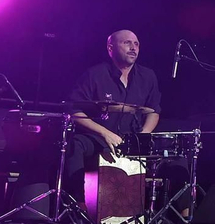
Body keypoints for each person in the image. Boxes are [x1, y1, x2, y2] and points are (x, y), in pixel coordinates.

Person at [63, 29, 162, 193]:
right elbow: (74, 112)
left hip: (134, 138)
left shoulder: (148, 76)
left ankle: (185, 216)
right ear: (110, 48)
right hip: (100, 139)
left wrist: (144, 134)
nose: (133, 48)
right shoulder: (94, 74)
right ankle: (78, 205)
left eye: (136, 44)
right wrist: (105, 133)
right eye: (127, 43)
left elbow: (153, 111)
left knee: (177, 158)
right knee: (75, 145)